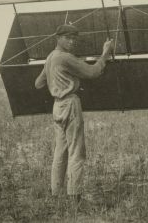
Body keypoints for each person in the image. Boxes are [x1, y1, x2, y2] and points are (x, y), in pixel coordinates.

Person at [35, 24, 114, 200]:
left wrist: (58, 78)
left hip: (57, 106)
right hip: (70, 104)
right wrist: (105, 54)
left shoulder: (51, 57)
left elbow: (38, 83)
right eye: (68, 38)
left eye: (74, 39)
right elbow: (93, 72)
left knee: (60, 151)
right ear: (58, 38)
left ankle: (55, 193)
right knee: (77, 151)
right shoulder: (65, 58)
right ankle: (74, 197)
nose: (72, 42)